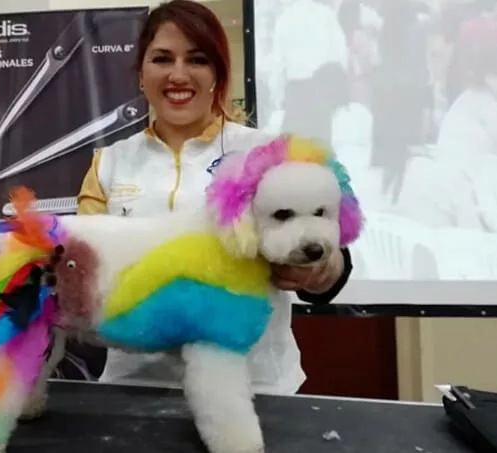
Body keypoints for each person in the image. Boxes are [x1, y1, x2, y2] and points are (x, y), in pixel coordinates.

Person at [74, 0, 354, 395]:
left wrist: (320, 270)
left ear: (218, 74)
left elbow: (333, 261)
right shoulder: (109, 163)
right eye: (162, 59)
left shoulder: (268, 154)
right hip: (135, 386)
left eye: (197, 59)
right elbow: (82, 264)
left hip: (255, 389)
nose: (178, 74)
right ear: (140, 75)